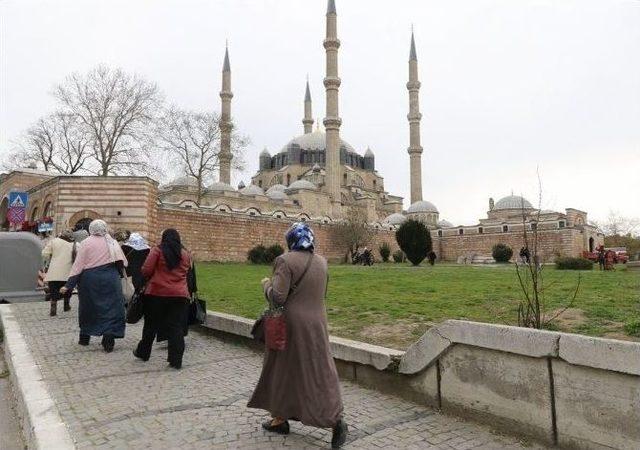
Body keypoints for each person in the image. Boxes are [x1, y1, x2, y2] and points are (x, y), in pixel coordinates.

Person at [248, 222, 348, 449]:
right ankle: (281, 418)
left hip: (290, 327)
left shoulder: (285, 261)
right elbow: (322, 293)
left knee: (282, 369)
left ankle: (331, 420)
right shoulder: (322, 262)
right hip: (317, 324)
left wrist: (266, 284)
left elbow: (278, 297)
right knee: (319, 370)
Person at [60, 219, 127, 352]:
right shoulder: (112, 242)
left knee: (89, 307)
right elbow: (122, 263)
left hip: (90, 280)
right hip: (111, 279)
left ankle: (84, 337)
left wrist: (69, 284)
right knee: (111, 308)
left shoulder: (86, 243)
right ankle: (109, 339)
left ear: (91, 229)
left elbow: (78, 265)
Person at [133, 229, 192, 369]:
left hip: (156, 293)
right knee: (176, 327)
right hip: (179, 295)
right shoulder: (186, 254)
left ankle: (143, 352)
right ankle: (176, 360)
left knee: (150, 325)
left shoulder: (157, 251)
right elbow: (187, 272)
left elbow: (146, 270)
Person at [42, 229, 75, 316]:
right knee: (68, 289)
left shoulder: (53, 242)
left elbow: (44, 254)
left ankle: (53, 308)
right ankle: (66, 305)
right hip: (68, 271)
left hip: (54, 271)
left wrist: (51, 258)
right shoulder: (75, 244)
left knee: (53, 289)